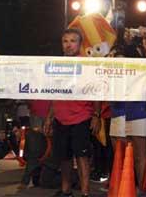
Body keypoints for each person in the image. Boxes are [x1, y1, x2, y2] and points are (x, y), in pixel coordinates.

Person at [44, 28, 101, 197]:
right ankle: (66, 191)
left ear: (80, 44)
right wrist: (49, 117)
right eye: (65, 41)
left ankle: (85, 193)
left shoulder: (87, 64)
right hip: (61, 118)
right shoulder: (57, 64)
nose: (68, 45)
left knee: (82, 157)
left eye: (72, 41)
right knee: (64, 158)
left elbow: (97, 90)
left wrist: (96, 115)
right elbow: (55, 92)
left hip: (81, 117)